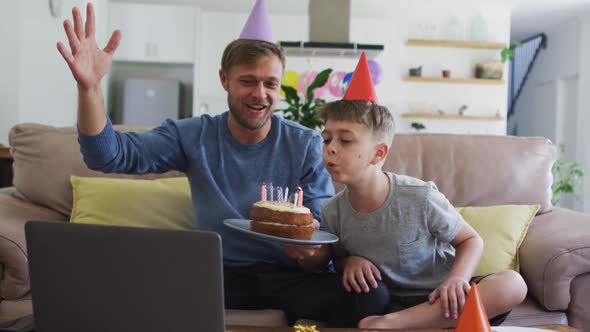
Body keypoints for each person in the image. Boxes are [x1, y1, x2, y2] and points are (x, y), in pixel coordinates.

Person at [56, 1, 387, 327]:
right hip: (215, 274)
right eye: (247, 81)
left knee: (371, 297)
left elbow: (319, 256)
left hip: (286, 279)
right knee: (119, 287)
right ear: (224, 79)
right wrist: (90, 88)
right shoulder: (193, 135)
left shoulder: (306, 144)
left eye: (270, 83)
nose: (260, 93)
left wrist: (307, 251)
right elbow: (108, 155)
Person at [316, 53, 528, 329]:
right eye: (326, 139)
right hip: (389, 301)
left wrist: (457, 279)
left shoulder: (419, 196)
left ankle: (401, 324)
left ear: (378, 153)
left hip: (444, 297)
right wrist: (348, 262)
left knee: (513, 284)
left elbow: (471, 240)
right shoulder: (333, 210)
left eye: (345, 140)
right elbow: (338, 258)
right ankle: (418, 323)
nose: (331, 147)